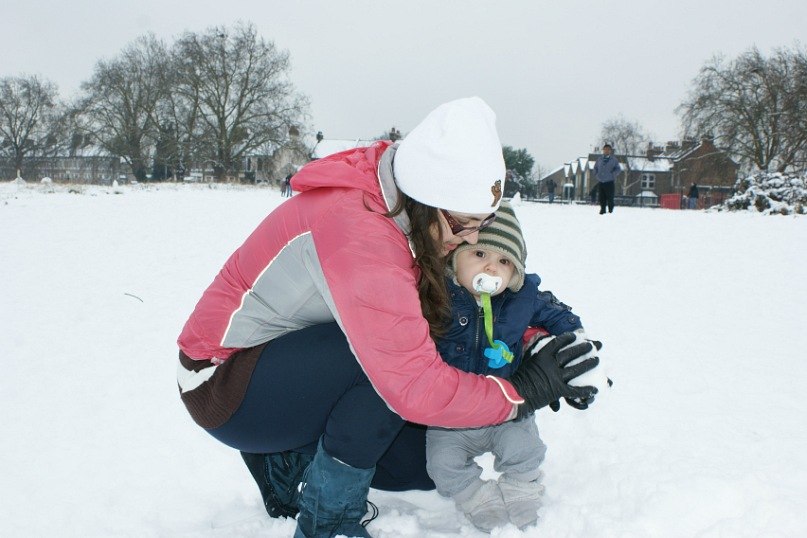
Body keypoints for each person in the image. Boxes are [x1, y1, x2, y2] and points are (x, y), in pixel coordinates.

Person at [176, 97, 600, 538]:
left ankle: (288, 460)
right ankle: (329, 522)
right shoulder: (360, 233)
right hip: (223, 383)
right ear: (431, 199)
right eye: (466, 225)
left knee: (419, 463)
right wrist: (521, 392)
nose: (472, 238)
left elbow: (468, 303)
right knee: (389, 369)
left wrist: (538, 345)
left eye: (484, 223)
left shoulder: (403, 208)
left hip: (290, 364)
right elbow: (411, 382)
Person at [426, 201, 591, 532]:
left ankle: (521, 490)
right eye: (479, 255)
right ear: (454, 258)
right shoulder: (435, 294)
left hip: (506, 407)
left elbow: (562, 318)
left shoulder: (523, 298)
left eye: (504, 262)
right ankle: (476, 497)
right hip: (451, 415)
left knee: (526, 450)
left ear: (515, 274)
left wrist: (576, 348)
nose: (491, 269)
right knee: (441, 465)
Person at [593, 143, 621, 214]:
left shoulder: (614, 160)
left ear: (610, 151)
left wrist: (613, 175)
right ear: (603, 150)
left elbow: (618, 169)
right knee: (601, 198)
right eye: (605, 149)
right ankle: (602, 210)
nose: (606, 151)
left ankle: (610, 211)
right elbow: (595, 168)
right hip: (601, 182)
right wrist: (596, 175)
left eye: (608, 149)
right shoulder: (599, 159)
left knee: (610, 198)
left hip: (609, 182)